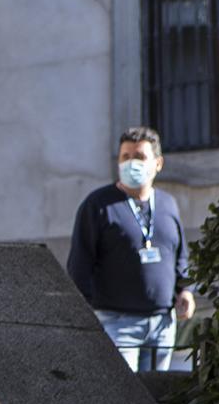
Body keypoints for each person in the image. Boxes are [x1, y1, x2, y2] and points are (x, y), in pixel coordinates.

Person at [67, 126, 195, 372]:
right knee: (123, 392)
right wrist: (85, 315)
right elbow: (79, 264)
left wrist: (186, 291)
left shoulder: (168, 204)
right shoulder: (98, 205)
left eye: (140, 156)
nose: (131, 163)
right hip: (116, 323)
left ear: (158, 163)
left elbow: (180, 256)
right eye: (125, 157)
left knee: (156, 393)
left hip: (162, 324)